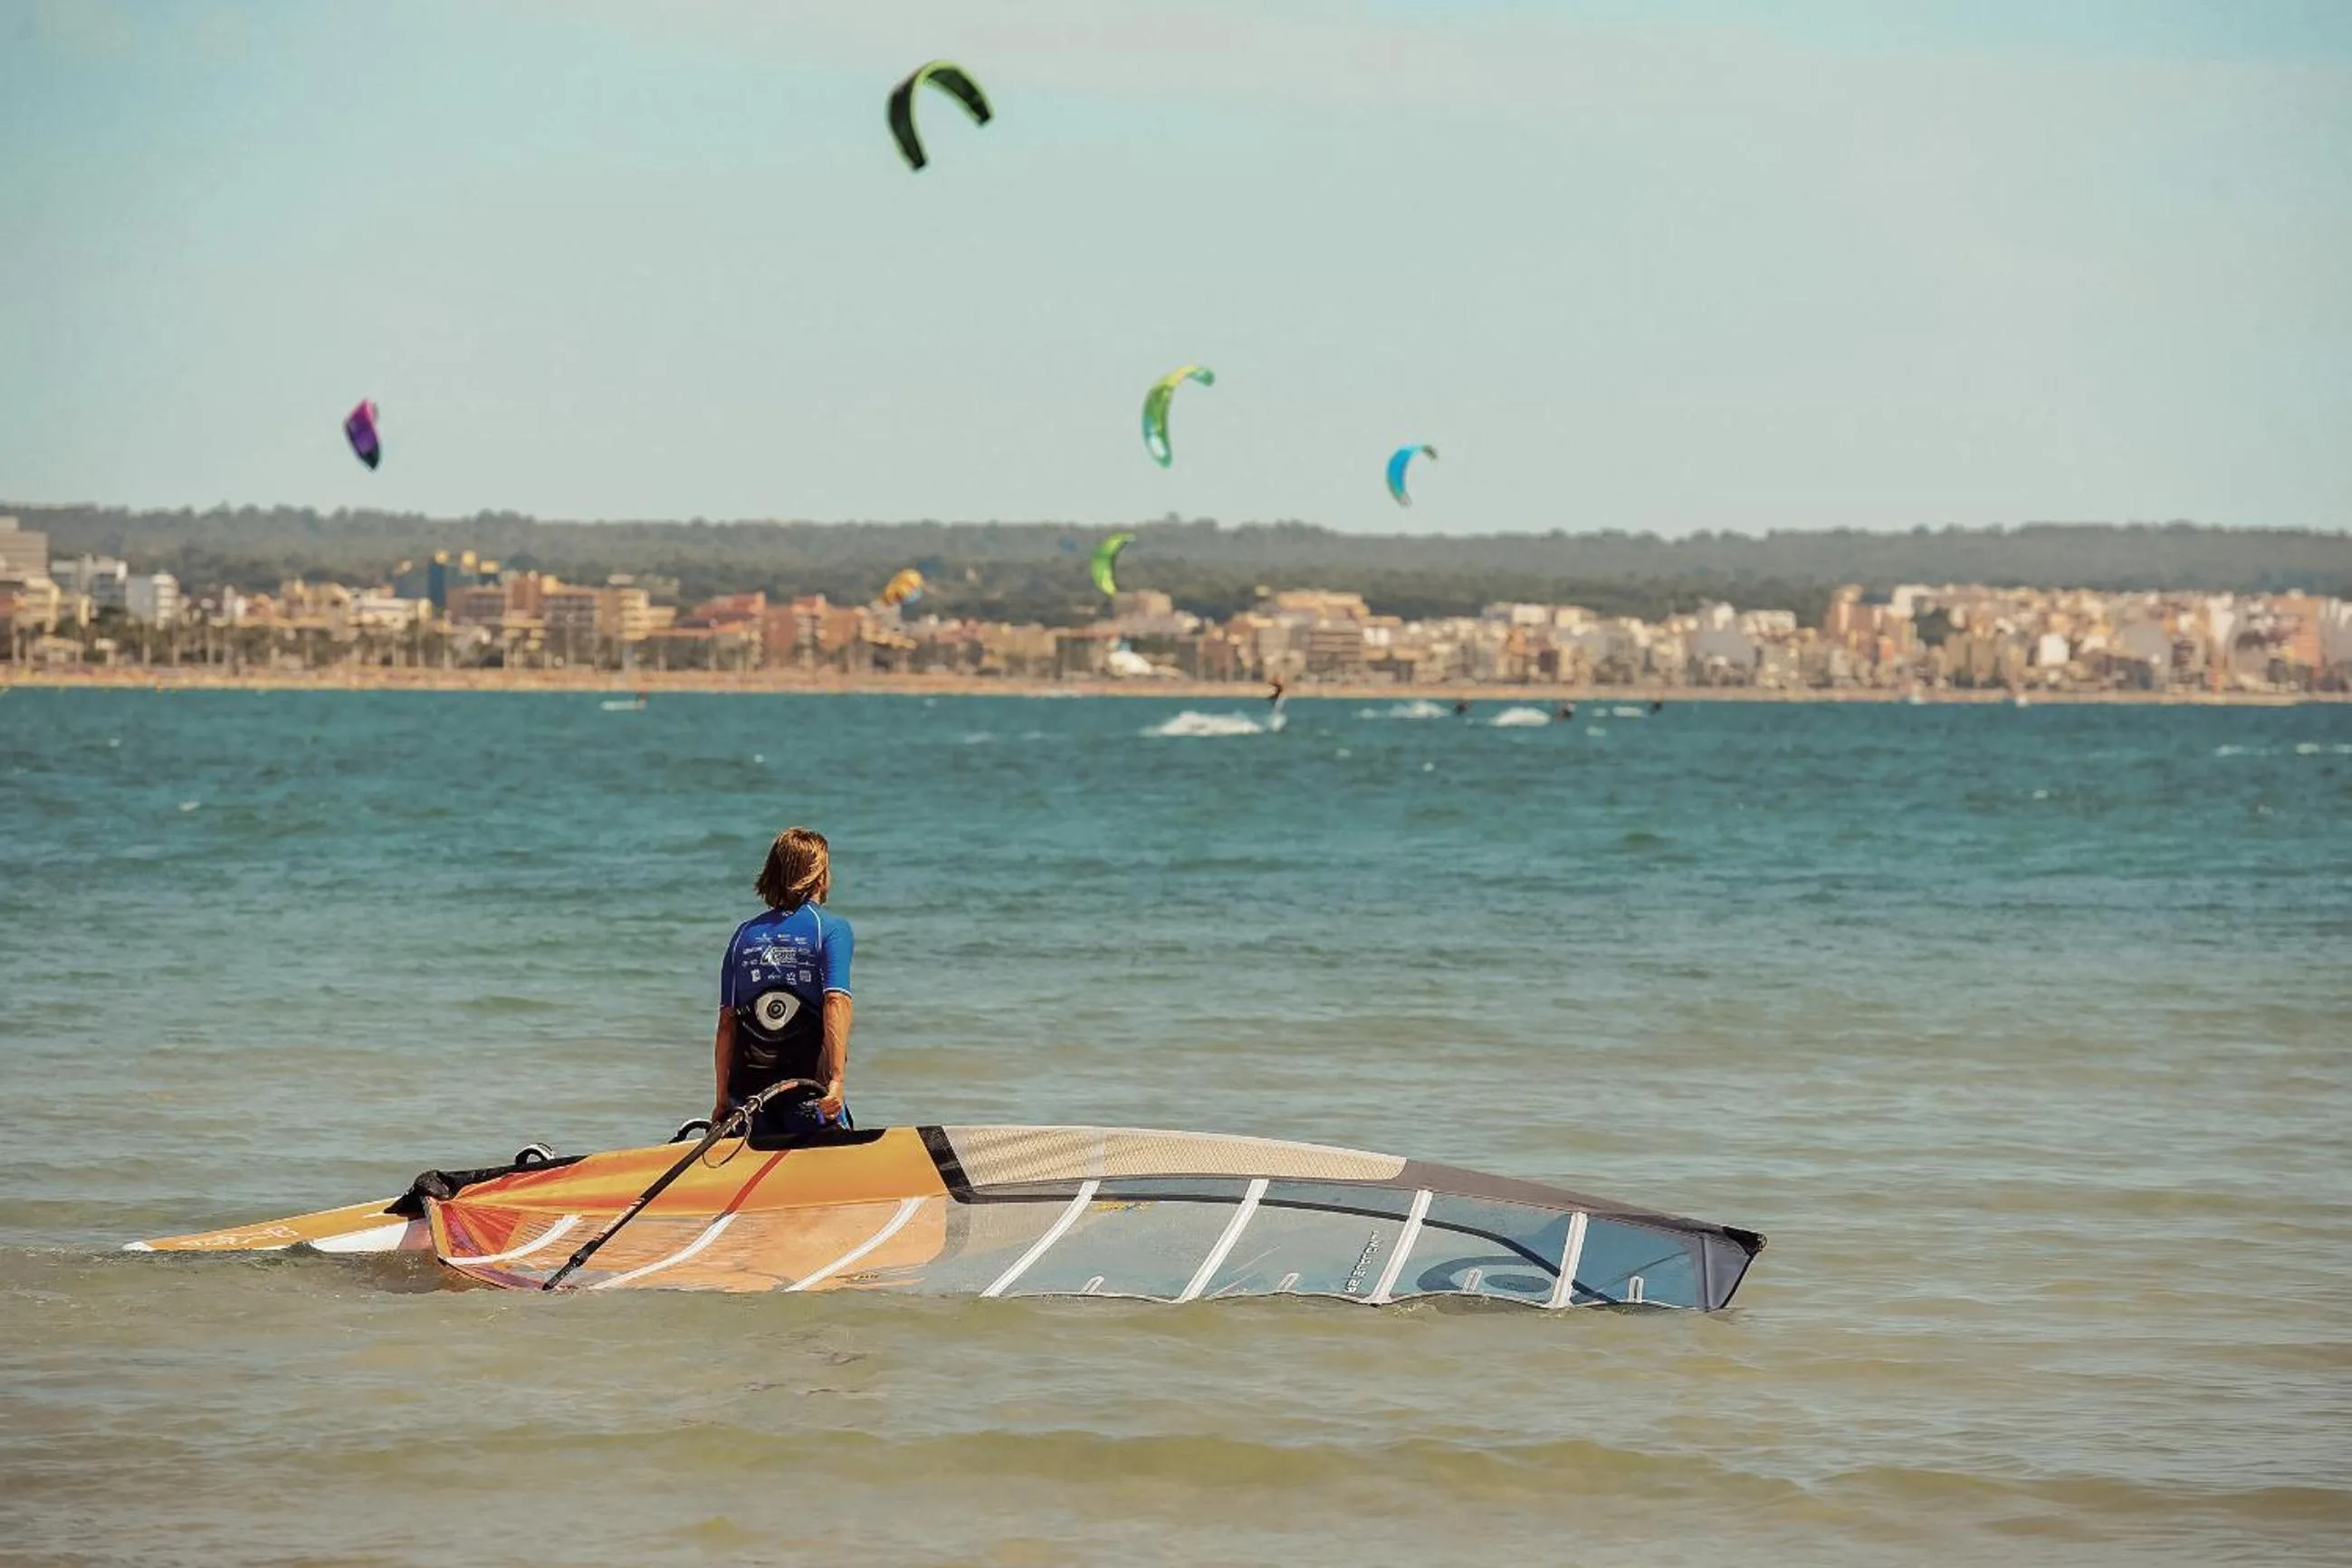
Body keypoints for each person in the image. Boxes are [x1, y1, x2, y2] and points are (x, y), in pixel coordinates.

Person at [713, 827, 854, 1138]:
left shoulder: (742, 936)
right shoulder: (830, 929)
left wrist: (723, 1102)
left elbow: (727, 1022)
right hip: (807, 1099)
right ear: (819, 875)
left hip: (746, 1101)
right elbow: (836, 1002)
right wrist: (837, 1083)